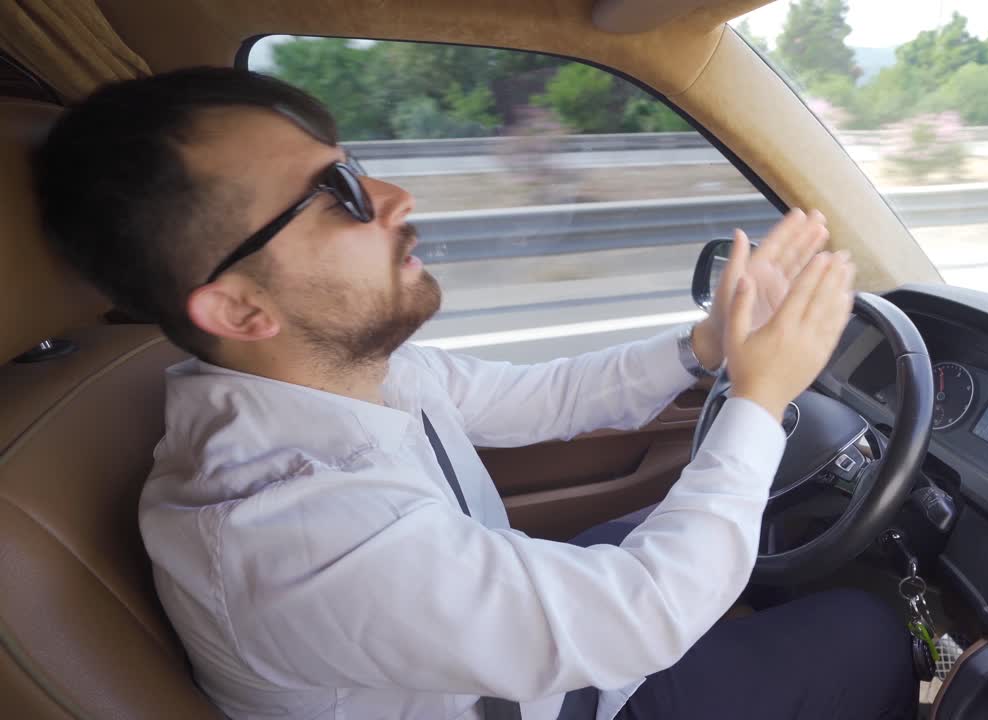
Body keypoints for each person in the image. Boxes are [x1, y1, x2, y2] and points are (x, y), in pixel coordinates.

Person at [33, 67, 916, 720]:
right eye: (335, 193)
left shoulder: (327, 373)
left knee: (749, 544)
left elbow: (542, 398)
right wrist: (760, 398)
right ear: (235, 303)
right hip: (535, 706)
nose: (392, 195)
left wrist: (704, 349)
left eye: (356, 164)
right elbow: (642, 616)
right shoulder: (288, 533)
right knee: (867, 633)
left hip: (491, 666)